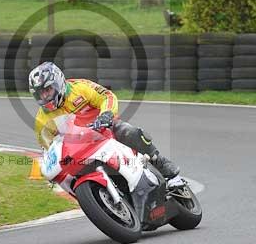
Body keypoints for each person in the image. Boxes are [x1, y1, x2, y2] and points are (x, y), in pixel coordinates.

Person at [28, 61, 186, 188]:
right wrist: (50, 166)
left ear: (58, 82)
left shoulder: (80, 88)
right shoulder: (42, 120)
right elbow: (47, 147)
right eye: (40, 93)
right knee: (69, 177)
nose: (45, 96)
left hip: (104, 128)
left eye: (47, 90)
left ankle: (169, 172)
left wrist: (106, 114)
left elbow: (106, 96)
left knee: (129, 132)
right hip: (80, 148)